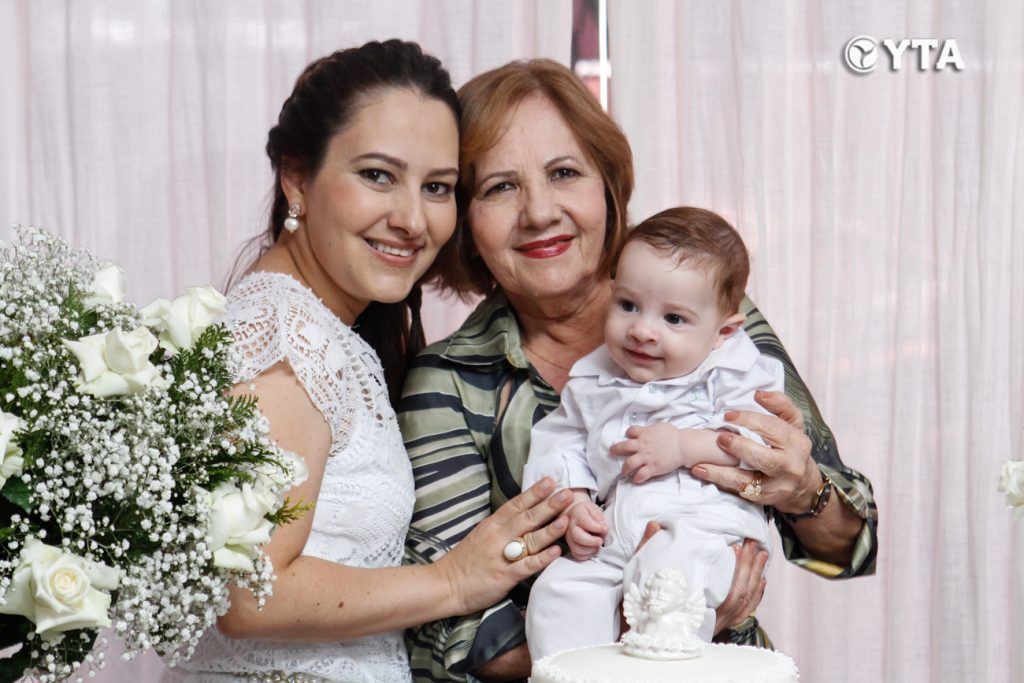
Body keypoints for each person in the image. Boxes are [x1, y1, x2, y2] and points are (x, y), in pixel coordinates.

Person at [400, 59, 878, 682]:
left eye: (564, 173)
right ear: (465, 218)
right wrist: (639, 635)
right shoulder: (448, 380)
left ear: (607, 186)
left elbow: (850, 544)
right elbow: (443, 634)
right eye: (499, 187)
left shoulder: (707, 315)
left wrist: (803, 490)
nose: (539, 211)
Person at [168, 41, 572, 683]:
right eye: (378, 175)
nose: (412, 219)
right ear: (297, 179)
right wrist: (453, 581)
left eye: (436, 187)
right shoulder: (284, 335)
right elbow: (250, 595)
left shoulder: (314, 324)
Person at [522, 206, 783, 660]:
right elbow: (561, 443)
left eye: (674, 319)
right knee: (558, 592)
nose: (642, 330)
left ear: (723, 331)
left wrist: (685, 446)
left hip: (703, 529)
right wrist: (577, 503)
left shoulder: (739, 371)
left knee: (670, 579)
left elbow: (763, 445)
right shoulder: (594, 379)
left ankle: (663, 668)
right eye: (627, 305)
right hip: (615, 533)